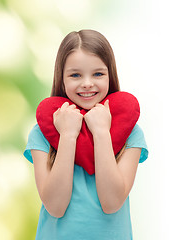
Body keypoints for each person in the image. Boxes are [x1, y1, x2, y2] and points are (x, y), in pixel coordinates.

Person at [23, 29, 148, 240]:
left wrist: (101, 132)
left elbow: (111, 202)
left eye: (98, 74)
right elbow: (55, 207)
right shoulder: (42, 132)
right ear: (61, 79)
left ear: (110, 75)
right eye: (75, 75)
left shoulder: (131, 132)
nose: (87, 83)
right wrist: (68, 135)